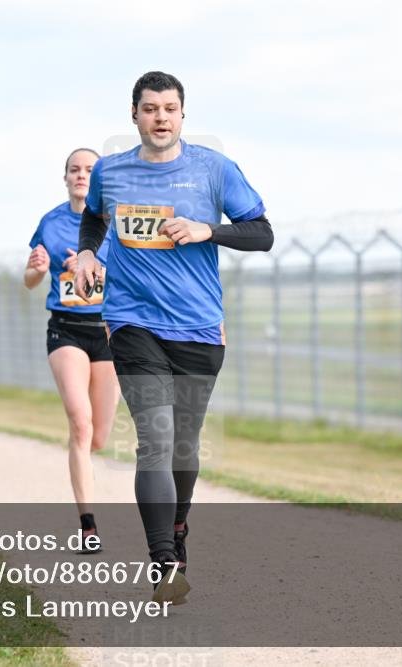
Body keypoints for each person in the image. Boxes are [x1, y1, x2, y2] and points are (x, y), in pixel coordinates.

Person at [74, 72, 273, 604]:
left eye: (169, 108)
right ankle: (164, 563)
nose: (160, 117)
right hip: (133, 324)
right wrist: (91, 252)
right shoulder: (111, 172)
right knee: (155, 440)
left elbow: (263, 233)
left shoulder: (214, 169)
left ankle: (178, 529)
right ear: (134, 115)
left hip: (199, 328)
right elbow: (93, 220)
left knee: (184, 445)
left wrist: (211, 230)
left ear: (182, 115)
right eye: (149, 108)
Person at [25, 148, 120, 554]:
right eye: (74, 170)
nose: (81, 176)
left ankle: (81, 465)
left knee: (98, 437)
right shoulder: (50, 222)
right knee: (80, 425)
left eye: (89, 170)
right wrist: (39, 268)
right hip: (66, 330)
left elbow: (133, 275)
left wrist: (95, 267)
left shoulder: (117, 221)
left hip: (109, 333)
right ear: (65, 178)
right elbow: (30, 279)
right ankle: (88, 524)